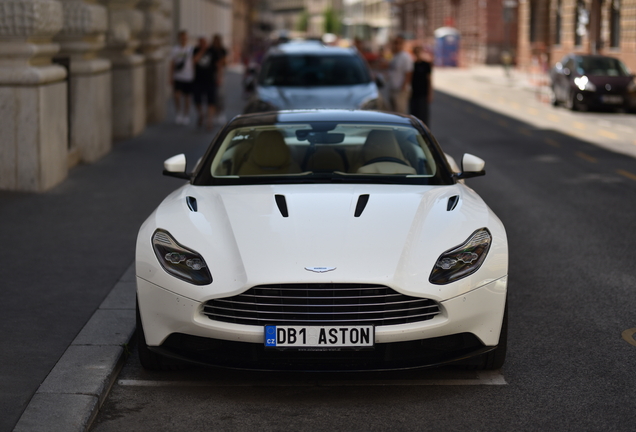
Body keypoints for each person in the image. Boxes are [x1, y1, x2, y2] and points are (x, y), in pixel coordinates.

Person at [192, 36, 219, 129]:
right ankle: (201, 114)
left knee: (211, 101)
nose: (202, 44)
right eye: (201, 42)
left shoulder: (212, 51)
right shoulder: (195, 50)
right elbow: (194, 61)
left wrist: (219, 77)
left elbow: (218, 64)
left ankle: (209, 121)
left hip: (210, 80)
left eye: (204, 42)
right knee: (197, 100)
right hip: (198, 80)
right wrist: (202, 51)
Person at [170, 30, 195, 125]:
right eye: (182, 37)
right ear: (179, 39)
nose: (183, 39)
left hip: (188, 76)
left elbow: (194, 63)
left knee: (187, 97)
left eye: (185, 37)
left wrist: (194, 76)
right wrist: (171, 76)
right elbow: (172, 64)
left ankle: (186, 115)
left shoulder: (191, 50)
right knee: (176, 95)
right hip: (178, 76)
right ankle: (179, 113)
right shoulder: (175, 49)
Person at [386, 35, 413, 114]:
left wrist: (403, 88)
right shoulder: (395, 56)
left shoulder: (405, 57)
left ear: (402, 44)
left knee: (400, 113)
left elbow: (408, 73)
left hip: (400, 91)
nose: (396, 45)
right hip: (393, 89)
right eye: (395, 43)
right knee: (393, 113)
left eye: (398, 43)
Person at [410, 45, 433, 127]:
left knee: (423, 115)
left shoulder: (426, 65)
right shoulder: (413, 65)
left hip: (423, 94)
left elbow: (429, 80)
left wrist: (430, 94)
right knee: (414, 115)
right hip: (414, 93)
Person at [210, 34, 228, 125]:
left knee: (220, 95)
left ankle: (220, 112)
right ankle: (214, 113)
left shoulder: (222, 50)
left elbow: (224, 62)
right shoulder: (210, 50)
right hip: (212, 74)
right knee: (213, 94)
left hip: (220, 73)